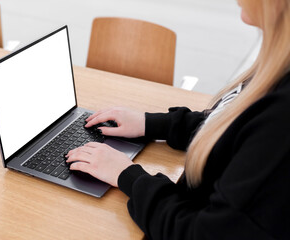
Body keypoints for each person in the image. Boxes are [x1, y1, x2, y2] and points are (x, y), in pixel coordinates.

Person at [66, 0, 290, 239]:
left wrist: (128, 175)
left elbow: (200, 233)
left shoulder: (281, 120)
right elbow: (233, 127)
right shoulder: (278, 68)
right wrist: (150, 123)